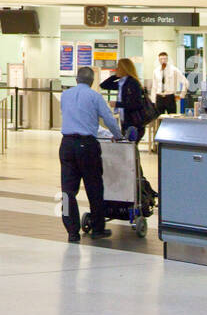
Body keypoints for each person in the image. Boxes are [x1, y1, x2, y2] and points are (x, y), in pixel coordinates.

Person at [59, 66, 123, 242]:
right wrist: (118, 136)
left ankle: (71, 231)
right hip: (87, 146)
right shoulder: (95, 96)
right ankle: (97, 228)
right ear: (92, 81)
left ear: (76, 79)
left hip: (67, 145)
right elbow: (108, 119)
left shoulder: (65, 95)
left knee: (67, 191)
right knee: (94, 188)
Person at [101, 58, 147, 142]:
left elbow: (136, 104)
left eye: (118, 68)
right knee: (128, 148)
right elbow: (104, 85)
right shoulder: (121, 83)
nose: (116, 69)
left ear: (124, 69)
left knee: (131, 148)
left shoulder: (133, 83)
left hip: (134, 123)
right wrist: (115, 76)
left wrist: (117, 104)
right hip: (125, 122)